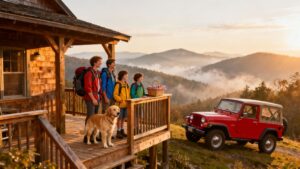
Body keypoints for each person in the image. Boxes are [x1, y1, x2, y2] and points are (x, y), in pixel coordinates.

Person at [83, 56, 102, 143]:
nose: (101, 63)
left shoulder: (97, 72)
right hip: (91, 98)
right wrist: (93, 99)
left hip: (97, 97)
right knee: (90, 117)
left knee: (95, 118)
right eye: (99, 61)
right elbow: (88, 88)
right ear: (94, 62)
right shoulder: (89, 74)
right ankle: (86, 137)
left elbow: (98, 86)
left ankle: (93, 136)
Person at [114, 70, 131, 139]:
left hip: (126, 105)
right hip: (120, 105)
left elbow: (129, 94)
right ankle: (118, 132)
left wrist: (129, 100)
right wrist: (120, 100)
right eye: (126, 75)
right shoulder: (118, 84)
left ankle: (122, 130)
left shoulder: (126, 84)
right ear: (122, 76)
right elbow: (115, 94)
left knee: (123, 118)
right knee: (119, 119)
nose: (127, 76)